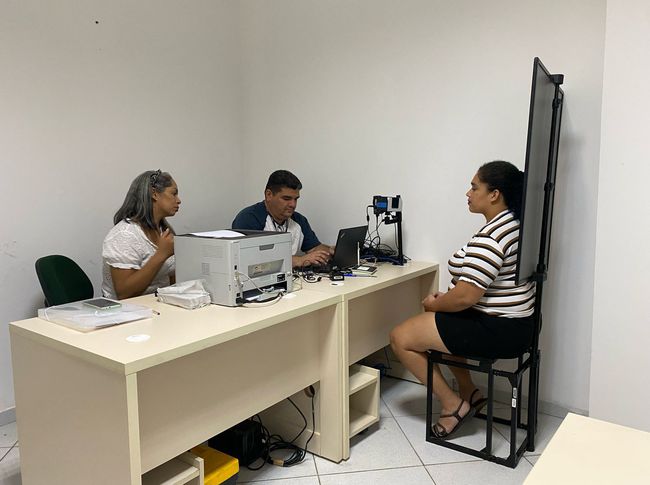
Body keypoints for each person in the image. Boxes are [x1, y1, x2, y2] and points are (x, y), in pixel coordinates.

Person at [389, 160, 535, 440]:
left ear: (494, 194)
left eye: (474, 187)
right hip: (517, 326)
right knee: (442, 318)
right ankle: (470, 392)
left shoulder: (493, 236)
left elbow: (466, 296)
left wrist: (435, 303)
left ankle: (453, 405)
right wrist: (446, 301)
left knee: (400, 338)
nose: (468, 193)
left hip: (499, 330)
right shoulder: (514, 225)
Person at [102, 169, 181, 299]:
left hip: (159, 303)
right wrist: (161, 254)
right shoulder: (124, 235)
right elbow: (124, 293)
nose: (178, 200)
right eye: (174, 194)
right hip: (126, 308)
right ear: (154, 194)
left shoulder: (164, 230)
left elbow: (173, 278)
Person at [232, 170, 333, 268]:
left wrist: (333, 251)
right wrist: (299, 260)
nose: (293, 204)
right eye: (286, 199)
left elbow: (314, 248)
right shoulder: (248, 218)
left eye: (296, 199)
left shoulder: (299, 220)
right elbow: (249, 260)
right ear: (269, 195)